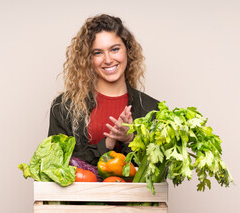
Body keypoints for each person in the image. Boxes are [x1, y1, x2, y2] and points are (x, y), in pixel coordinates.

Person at [48, 14, 159, 165]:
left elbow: (159, 172)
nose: (107, 59)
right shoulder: (64, 107)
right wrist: (107, 144)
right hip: (82, 190)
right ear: (88, 58)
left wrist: (130, 139)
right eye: (98, 52)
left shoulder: (152, 109)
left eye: (114, 49)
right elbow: (54, 166)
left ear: (128, 50)